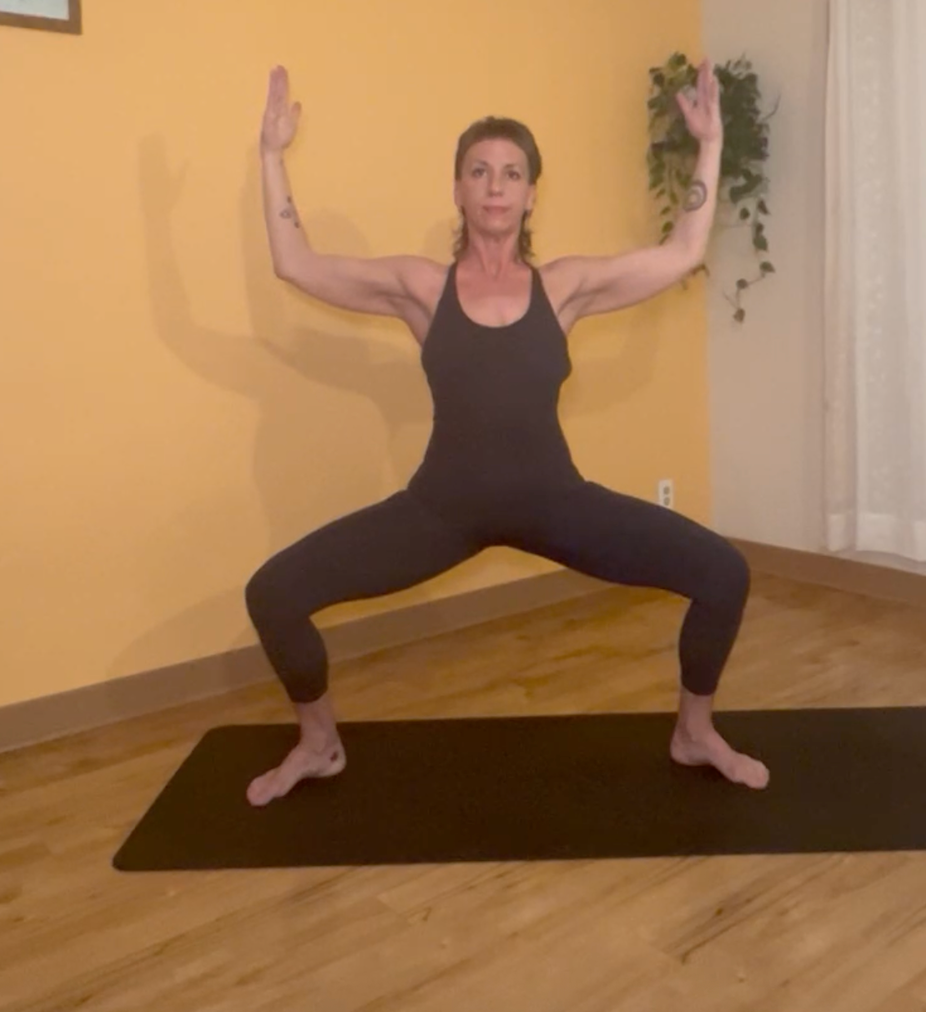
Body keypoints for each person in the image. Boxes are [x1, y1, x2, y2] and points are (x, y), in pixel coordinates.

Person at [240, 63, 769, 807]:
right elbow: (293, 263)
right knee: (274, 593)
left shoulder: (565, 286)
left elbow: (681, 254)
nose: (495, 185)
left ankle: (694, 732)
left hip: (556, 502)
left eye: (511, 173)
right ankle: (318, 741)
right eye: (479, 171)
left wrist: (709, 144)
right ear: (458, 188)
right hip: (442, 510)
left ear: (528, 193)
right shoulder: (422, 288)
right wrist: (270, 155)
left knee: (724, 573)